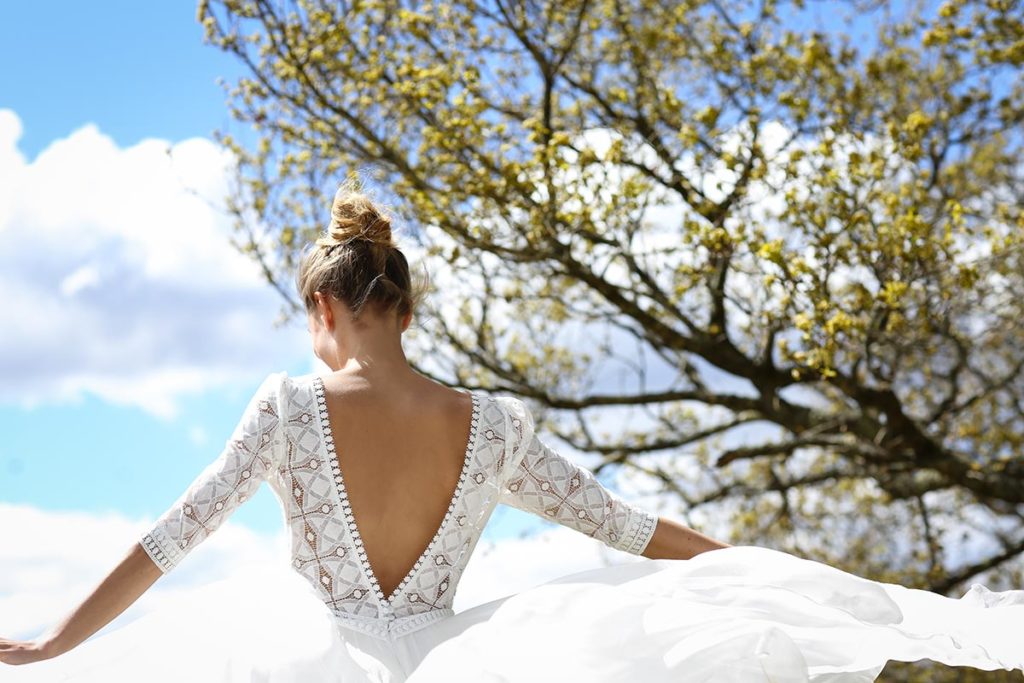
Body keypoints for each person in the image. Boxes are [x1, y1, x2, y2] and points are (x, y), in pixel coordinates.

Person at [1, 181, 1022, 682]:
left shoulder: (285, 407)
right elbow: (628, 528)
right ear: (404, 305)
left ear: (323, 308)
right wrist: (757, 563)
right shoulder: (490, 424)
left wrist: (52, 642)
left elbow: (169, 539)